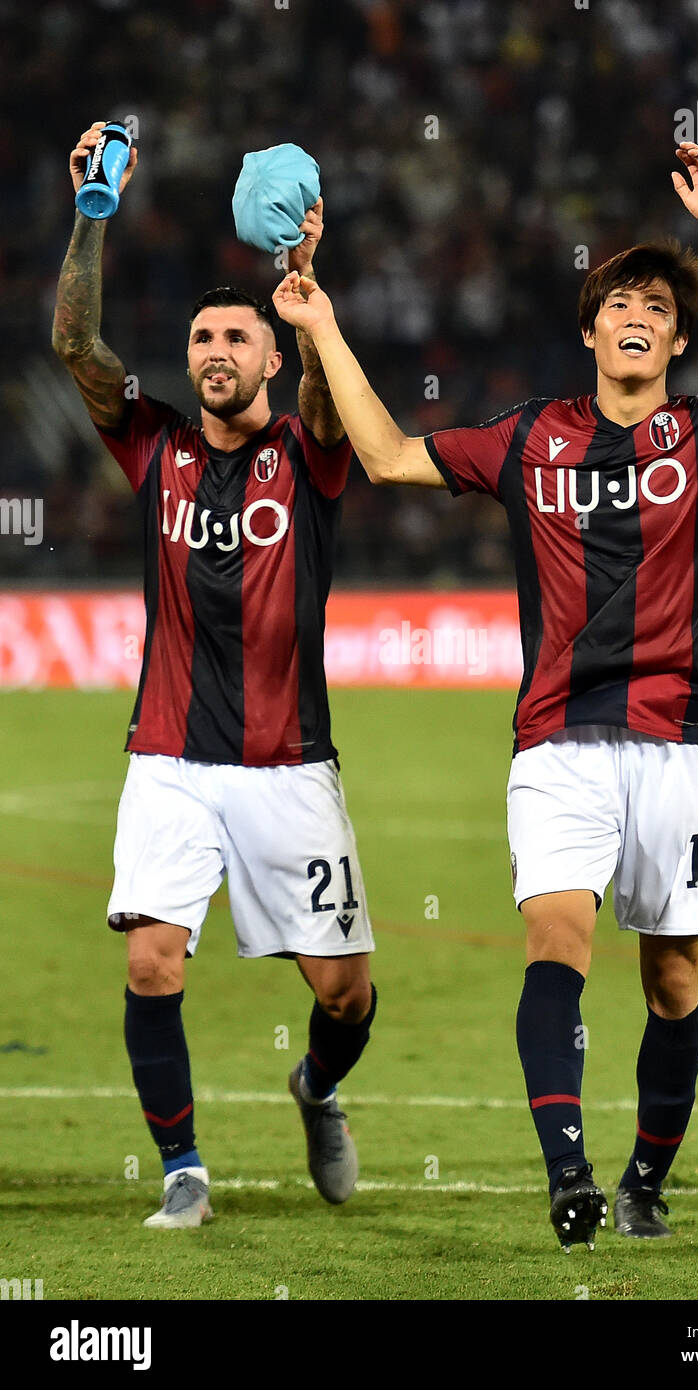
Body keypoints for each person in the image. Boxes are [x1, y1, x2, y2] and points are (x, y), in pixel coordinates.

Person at [270, 142, 698, 1250]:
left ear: (671, 340)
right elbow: (380, 457)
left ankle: (644, 1180)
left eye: (655, 306)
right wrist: (320, 329)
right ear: (589, 333)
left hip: (677, 741)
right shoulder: (529, 436)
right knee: (553, 949)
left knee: (671, 977)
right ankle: (566, 1175)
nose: (635, 311)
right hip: (557, 740)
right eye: (616, 299)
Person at [52, 122, 377, 1229]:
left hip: (290, 763)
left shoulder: (309, 451)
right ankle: (183, 1168)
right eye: (199, 338)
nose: (214, 350)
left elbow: (336, 400)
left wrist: (303, 277)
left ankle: (318, 1087)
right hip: (170, 758)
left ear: (271, 357)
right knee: (151, 962)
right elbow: (74, 346)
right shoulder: (155, 449)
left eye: (235, 336)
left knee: (344, 993)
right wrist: (94, 216)